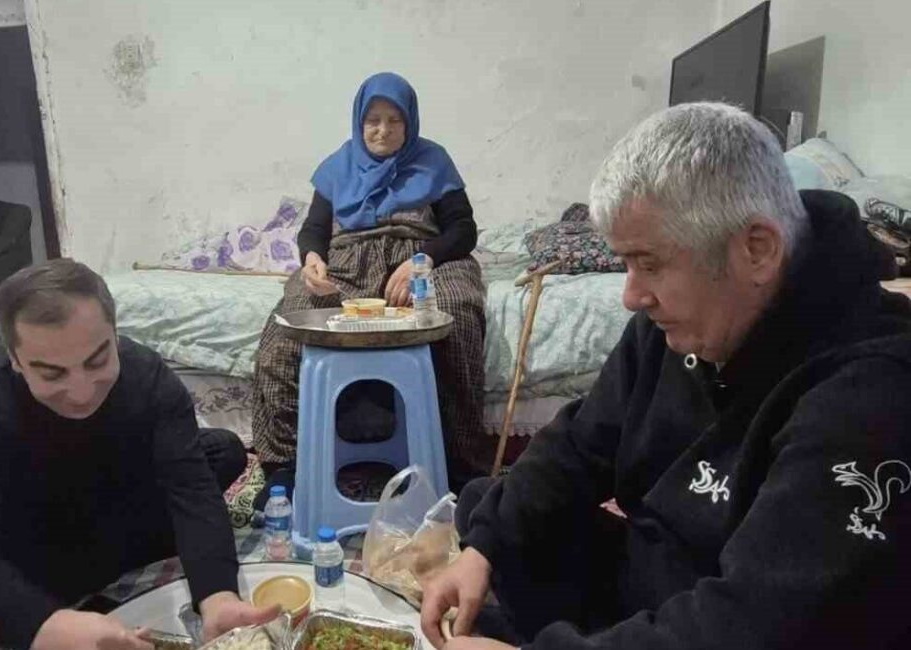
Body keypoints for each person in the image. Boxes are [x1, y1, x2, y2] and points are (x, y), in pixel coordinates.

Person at [421, 102, 911, 650]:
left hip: (742, 613)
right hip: (661, 577)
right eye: (627, 264)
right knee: (492, 510)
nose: (631, 295)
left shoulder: (870, 392)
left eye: (649, 264)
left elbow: (764, 622)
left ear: (757, 249)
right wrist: (482, 549)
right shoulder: (682, 324)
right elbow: (581, 443)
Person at [0, 259, 277, 650]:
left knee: (221, 450)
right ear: (14, 359)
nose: (81, 393)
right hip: (34, 534)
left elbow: (191, 488)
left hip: (110, 508)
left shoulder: (148, 376)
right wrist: (45, 625)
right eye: (51, 374)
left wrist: (217, 595)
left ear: (114, 334)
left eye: (97, 361)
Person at [251, 72, 487, 499]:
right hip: (347, 263)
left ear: (409, 122)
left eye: (394, 120)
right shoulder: (338, 167)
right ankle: (284, 467)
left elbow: (463, 229)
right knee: (288, 325)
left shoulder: (433, 161)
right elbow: (314, 229)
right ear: (359, 122)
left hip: (424, 259)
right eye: (373, 120)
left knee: (456, 313)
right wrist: (312, 258)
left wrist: (422, 261)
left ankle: (460, 466)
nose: (383, 130)